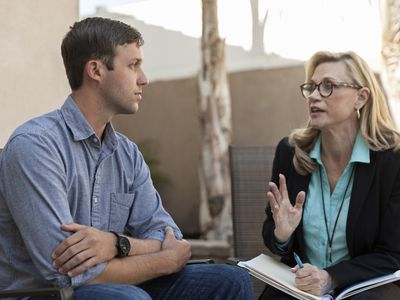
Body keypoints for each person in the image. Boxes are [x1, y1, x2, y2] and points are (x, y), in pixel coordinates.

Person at [0, 17, 253, 300]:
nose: (143, 78)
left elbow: (170, 236)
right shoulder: (36, 146)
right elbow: (67, 273)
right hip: (45, 295)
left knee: (231, 280)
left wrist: (118, 244)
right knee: (129, 299)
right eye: (133, 65)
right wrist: (164, 260)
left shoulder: (127, 154)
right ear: (95, 70)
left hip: (113, 284)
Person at [261, 51, 400, 300]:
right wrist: (282, 235)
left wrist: (331, 277)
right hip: (300, 287)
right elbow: (273, 236)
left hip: (363, 287)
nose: (314, 96)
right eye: (311, 87)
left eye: (328, 86)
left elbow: (393, 253)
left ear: (361, 97)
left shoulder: (392, 160)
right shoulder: (290, 152)